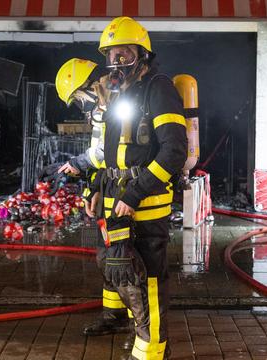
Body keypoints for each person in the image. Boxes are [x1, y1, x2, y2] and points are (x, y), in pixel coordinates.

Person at [88, 16, 188, 359]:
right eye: (112, 56)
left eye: (125, 55)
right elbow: (110, 154)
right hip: (116, 201)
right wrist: (97, 188)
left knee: (148, 279)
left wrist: (134, 193)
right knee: (122, 271)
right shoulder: (121, 94)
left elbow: (175, 150)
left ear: (143, 55)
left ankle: (153, 351)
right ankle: (129, 328)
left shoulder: (158, 88)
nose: (117, 64)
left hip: (145, 204)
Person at [54, 58, 133, 337]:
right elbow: (101, 159)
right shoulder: (104, 109)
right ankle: (114, 316)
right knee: (106, 257)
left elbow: (106, 154)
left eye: (77, 98)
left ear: (90, 85)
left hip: (125, 197)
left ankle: (143, 323)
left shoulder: (121, 105)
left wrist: (78, 162)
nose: (81, 106)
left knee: (121, 261)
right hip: (109, 192)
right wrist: (94, 188)